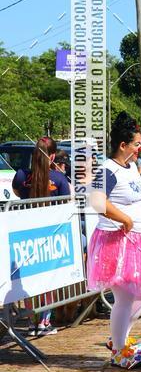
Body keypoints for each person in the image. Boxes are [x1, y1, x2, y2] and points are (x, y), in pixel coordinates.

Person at [88, 112, 141, 370]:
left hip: (138, 241)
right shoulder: (108, 169)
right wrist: (124, 218)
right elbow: (97, 201)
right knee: (125, 297)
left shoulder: (132, 166)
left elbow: (138, 193)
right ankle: (119, 351)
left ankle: (118, 337)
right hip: (117, 242)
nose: (139, 148)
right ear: (123, 145)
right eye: (136, 144)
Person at [12, 136, 71, 336]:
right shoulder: (59, 179)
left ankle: (32, 322)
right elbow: (66, 205)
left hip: (26, 236)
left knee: (30, 279)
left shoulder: (21, 175)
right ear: (52, 156)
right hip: (50, 237)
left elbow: (17, 193)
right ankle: (44, 321)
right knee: (49, 279)